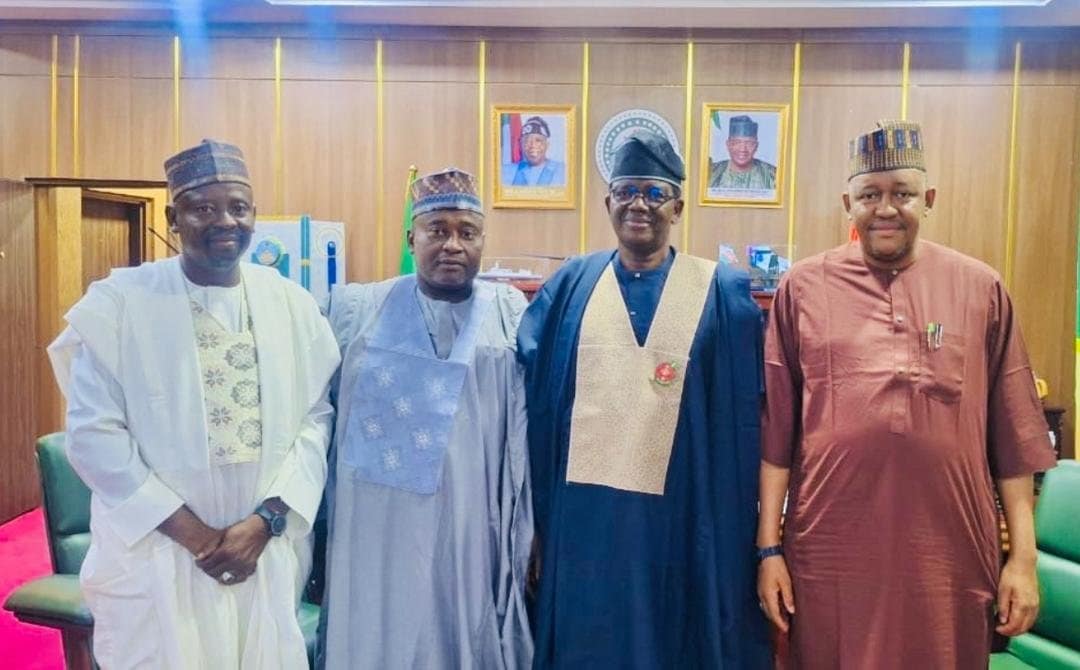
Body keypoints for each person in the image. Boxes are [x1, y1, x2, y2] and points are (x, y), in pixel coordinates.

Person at [757, 120, 1058, 669]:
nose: (886, 209)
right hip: (830, 551)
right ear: (848, 204)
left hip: (948, 552)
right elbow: (776, 431)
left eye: (903, 193)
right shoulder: (802, 288)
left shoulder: (981, 289)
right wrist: (768, 549)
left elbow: (1014, 436)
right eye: (870, 195)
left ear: (930, 198)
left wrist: (1024, 560)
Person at [47, 139, 340, 669]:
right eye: (203, 208)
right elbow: (94, 437)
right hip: (159, 552)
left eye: (238, 207)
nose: (225, 220)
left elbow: (316, 420)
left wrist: (266, 521)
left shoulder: (291, 305)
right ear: (172, 218)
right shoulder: (119, 305)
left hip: (262, 551)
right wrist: (197, 537)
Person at [518, 131, 771, 668]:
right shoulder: (571, 285)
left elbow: (744, 419)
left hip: (680, 520)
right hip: (584, 520)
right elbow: (531, 397)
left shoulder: (720, 292)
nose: (639, 204)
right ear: (608, 202)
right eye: (627, 191)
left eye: (655, 193)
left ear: (677, 208)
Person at [318, 168, 533, 669]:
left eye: (467, 232)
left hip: (471, 519)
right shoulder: (357, 309)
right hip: (374, 525)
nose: (452, 244)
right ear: (411, 238)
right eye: (437, 230)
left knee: (460, 621)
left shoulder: (508, 314)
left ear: (482, 241)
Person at [709, 114, 777, 192]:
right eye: (737, 142)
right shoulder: (711, 173)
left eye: (749, 143)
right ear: (728, 145)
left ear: (756, 146)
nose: (742, 149)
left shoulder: (773, 176)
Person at [501, 116, 566, 187]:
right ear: (520, 144)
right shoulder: (504, 172)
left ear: (547, 145)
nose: (532, 145)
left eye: (538, 140)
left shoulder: (563, 171)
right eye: (527, 141)